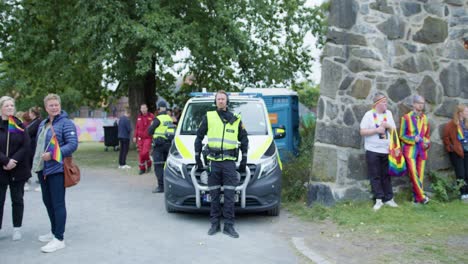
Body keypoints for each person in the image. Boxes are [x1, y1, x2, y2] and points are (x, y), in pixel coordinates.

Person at [194, 90, 248, 238]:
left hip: (229, 163)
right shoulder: (209, 116)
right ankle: (214, 224)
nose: (221, 101)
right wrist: (197, 156)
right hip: (213, 163)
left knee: (230, 195)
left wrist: (245, 158)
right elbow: (199, 136)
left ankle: (229, 226)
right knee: (214, 195)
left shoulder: (236, 119)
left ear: (227, 101)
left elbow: (244, 139)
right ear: (215, 101)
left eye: (223, 99)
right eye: (218, 99)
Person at [32, 93, 78, 253]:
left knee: (58, 203)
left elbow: (72, 145)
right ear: (46, 108)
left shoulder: (66, 123)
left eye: (56, 104)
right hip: (42, 169)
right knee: (48, 201)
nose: (54, 107)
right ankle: (53, 231)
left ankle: (59, 238)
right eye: (51, 105)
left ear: (60, 105)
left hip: (57, 169)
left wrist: (53, 154)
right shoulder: (43, 124)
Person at [359, 93, 398, 211]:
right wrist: (377, 130)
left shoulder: (389, 114)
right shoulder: (369, 115)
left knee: (386, 175)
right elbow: (362, 132)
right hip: (373, 150)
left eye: (386, 102)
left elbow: (394, 130)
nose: (386, 104)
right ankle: (379, 200)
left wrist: (388, 126)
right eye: (384, 102)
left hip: (386, 150)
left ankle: (389, 198)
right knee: (375, 175)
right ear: (377, 104)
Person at [0, 96, 31, 241]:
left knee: (17, 199)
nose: (10, 108)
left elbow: (26, 145)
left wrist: (14, 160)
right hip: (1, 167)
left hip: (17, 168)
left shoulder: (19, 125)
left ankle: (17, 228)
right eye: (7, 106)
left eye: (12, 105)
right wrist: (5, 160)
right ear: (1, 108)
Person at [399, 95, 431, 204]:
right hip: (410, 151)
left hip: (422, 150)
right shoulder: (406, 118)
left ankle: (417, 199)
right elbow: (402, 136)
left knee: (420, 174)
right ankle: (422, 196)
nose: (421, 105)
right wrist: (413, 139)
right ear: (413, 104)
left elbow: (427, 134)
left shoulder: (425, 118)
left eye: (422, 103)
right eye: (418, 103)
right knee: (413, 173)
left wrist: (427, 142)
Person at [443, 105, 468, 200]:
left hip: (467, 151)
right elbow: (446, 137)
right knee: (461, 173)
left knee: (467, 173)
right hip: (457, 152)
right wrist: (451, 148)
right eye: (466, 111)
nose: (467, 113)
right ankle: (463, 194)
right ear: (460, 113)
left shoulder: (466, 123)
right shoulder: (452, 124)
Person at [148, 101, 173, 193]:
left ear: (158, 109)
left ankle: (161, 186)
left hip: (158, 146)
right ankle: (168, 185)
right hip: (168, 145)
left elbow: (149, 131)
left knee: (158, 166)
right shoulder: (169, 118)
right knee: (167, 166)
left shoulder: (157, 119)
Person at [133, 104, 154, 175]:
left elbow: (154, 126)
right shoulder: (139, 117)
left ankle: (149, 163)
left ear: (147, 108)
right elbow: (136, 128)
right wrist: (134, 136)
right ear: (140, 109)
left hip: (148, 138)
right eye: (142, 108)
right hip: (140, 139)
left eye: (144, 108)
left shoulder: (151, 116)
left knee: (144, 153)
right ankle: (142, 169)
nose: (143, 110)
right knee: (141, 154)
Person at [27, 106, 43, 192]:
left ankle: (41, 182)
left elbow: (29, 132)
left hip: (35, 147)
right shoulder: (34, 121)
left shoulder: (38, 122)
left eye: (29, 112)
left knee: (37, 164)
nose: (29, 114)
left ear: (33, 113)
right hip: (32, 146)